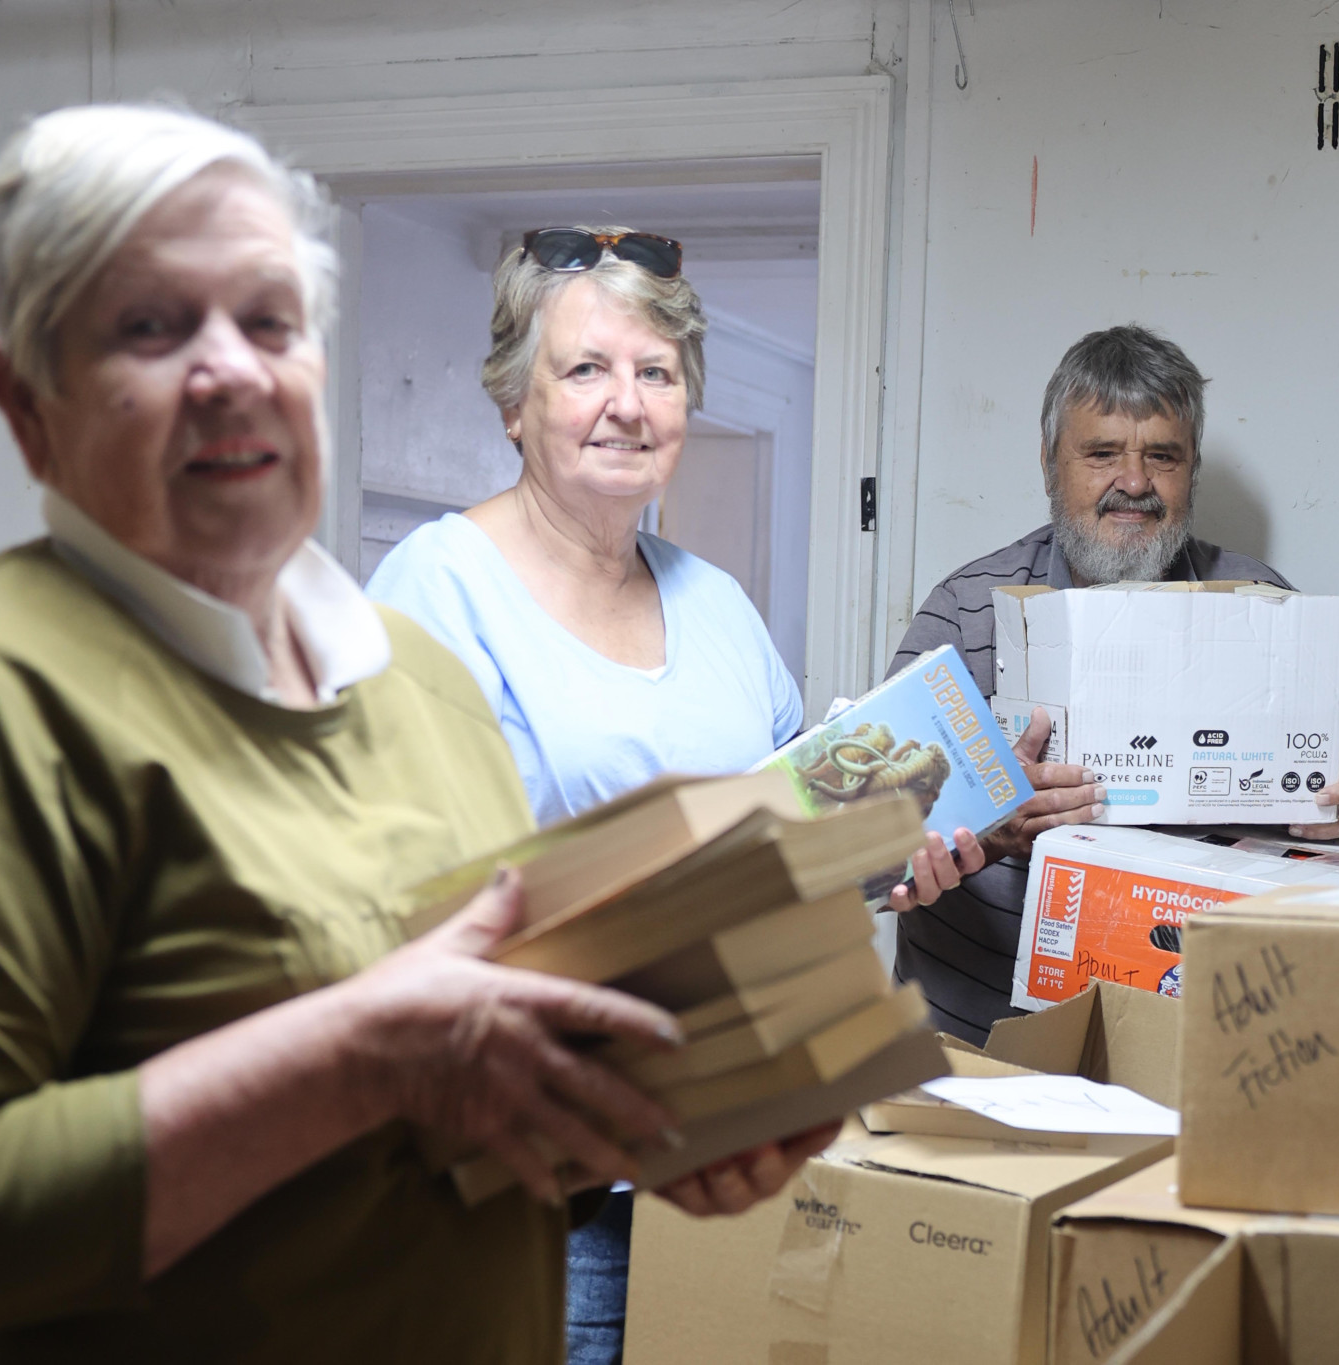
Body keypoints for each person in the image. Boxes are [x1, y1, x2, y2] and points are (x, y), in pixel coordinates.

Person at [0, 104, 824, 1365]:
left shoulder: (412, 686)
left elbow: (481, 1094)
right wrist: (355, 1060)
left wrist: (658, 1124)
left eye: (269, 320)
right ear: (24, 400)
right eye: (151, 326)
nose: (233, 368)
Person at [365, 225, 983, 1364]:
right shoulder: (433, 591)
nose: (627, 404)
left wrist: (897, 856)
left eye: (656, 374)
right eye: (585, 369)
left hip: (729, 1145)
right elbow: (400, 902)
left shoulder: (718, 605)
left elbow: (798, 844)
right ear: (513, 403)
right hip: (544, 1183)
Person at [889, 324, 1339, 1044]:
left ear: (1192, 469)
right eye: (1101, 454)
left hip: (1201, 1043)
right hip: (979, 1042)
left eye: (1163, 456)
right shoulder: (966, 614)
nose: (1134, 482)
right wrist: (989, 819)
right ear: (1049, 462)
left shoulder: (1263, 608)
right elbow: (866, 839)